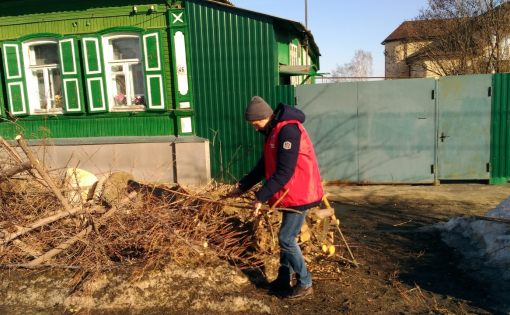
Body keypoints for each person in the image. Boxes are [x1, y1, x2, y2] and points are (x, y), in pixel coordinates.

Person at [227, 95, 323, 299]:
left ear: (266, 117)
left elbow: (285, 171)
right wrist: (243, 186)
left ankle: (305, 283)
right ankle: (283, 277)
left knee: (286, 238)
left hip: (301, 192)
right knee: (286, 237)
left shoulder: (288, 130)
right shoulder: (273, 131)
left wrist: (260, 197)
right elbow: (263, 166)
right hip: (290, 193)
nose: (255, 128)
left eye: (256, 123)